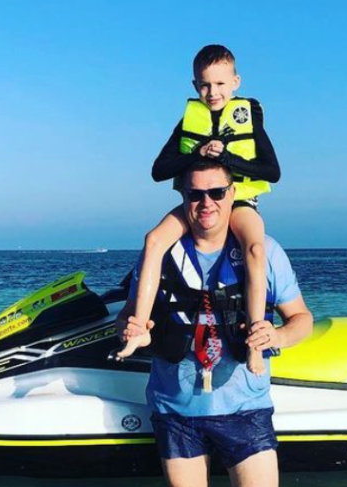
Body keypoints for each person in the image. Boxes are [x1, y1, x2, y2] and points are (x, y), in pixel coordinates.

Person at [116, 160, 313, 487]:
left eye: (217, 193)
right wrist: (132, 330)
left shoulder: (265, 253)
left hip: (244, 410)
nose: (206, 203)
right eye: (195, 194)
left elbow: (302, 320)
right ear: (182, 197)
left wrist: (277, 336)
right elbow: (127, 317)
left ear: (233, 195)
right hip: (175, 411)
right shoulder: (158, 255)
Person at [114, 44, 281, 378]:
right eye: (205, 85)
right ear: (194, 86)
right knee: (154, 240)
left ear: (235, 82)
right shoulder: (188, 122)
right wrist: (198, 153)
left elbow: (272, 171)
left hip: (238, 202)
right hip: (197, 201)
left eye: (220, 84)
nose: (212, 92)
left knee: (255, 247)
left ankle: (254, 341)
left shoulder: (250, 118)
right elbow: (159, 170)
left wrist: (227, 161)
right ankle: (140, 330)